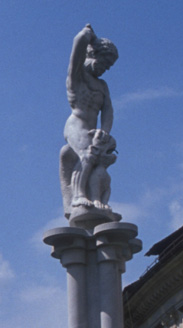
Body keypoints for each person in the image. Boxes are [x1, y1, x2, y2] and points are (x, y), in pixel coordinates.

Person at [60, 23, 119, 220]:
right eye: (105, 63)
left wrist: (105, 131)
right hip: (76, 124)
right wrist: (88, 35)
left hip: (93, 130)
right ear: (94, 55)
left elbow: (108, 110)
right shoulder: (77, 76)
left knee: (97, 164)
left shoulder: (102, 86)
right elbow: (78, 44)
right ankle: (78, 197)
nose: (105, 69)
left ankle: (96, 199)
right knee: (87, 155)